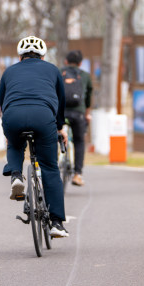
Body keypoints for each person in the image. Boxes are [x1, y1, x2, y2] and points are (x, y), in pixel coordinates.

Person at [0, 35, 69, 238]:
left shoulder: (9, 71)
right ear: (43, 56)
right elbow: (60, 101)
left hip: (13, 115)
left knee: (14, 144)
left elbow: (2, 99)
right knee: (49, 167)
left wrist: (9, 128)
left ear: (20, 57)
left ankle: (16, 176)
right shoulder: (53, 70)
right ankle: (56, 223)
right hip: (43, 116)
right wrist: (60, 127)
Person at [60, 50, 93, 186]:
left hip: (61, 113)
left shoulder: (59, 72)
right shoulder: (84, 76)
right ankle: (77, 174)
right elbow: (88, 97)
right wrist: (86, 114)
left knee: (55, 136)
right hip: (78, 114)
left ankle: (55, 165)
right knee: (79, 141)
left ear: (65, 61)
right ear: (80, 63)